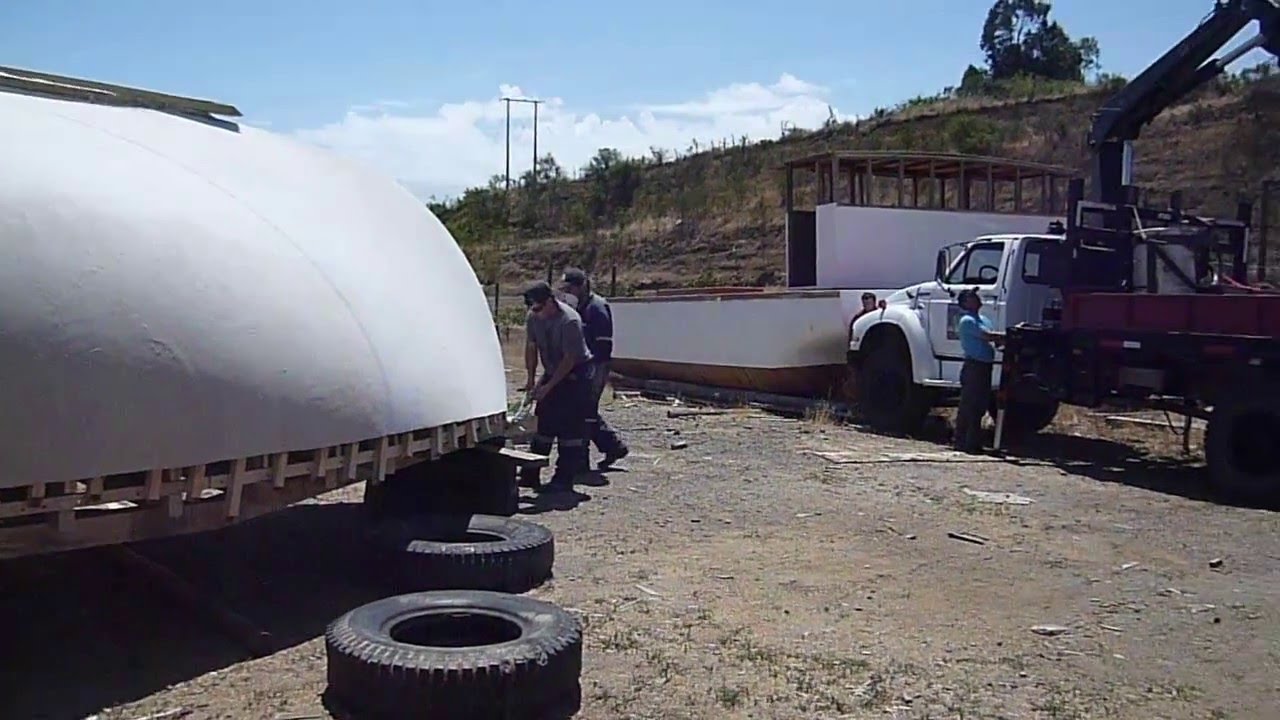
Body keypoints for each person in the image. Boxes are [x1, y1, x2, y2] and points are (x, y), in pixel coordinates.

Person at [521, 280, 594, 491]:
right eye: (532, 309)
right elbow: (531, 347)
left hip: (575, 375)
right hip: (552, 371)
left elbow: (570, 359)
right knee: (543, 423)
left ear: (550, 301)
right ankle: (530, 473)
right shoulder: (533, 318)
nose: (536, 313)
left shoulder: (569, 321)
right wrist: (531, 381)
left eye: (539, 308)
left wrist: (548, 387)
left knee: (569, 428)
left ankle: (563, 479)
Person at [561, 267, 629, 469]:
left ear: (581, 286)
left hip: (596, 365)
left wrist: (592, 369)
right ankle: (613, 446)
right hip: (582, 365)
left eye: (570, 287)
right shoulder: (577, 307)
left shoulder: (596, 307)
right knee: (583, 409)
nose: (567, 292)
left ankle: (582, 460)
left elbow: (603, 344)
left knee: (585, 411)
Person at [954, 288, 1004, 453]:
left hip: (984, 366)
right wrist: (1004, 336)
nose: (976, 298)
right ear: (964, 303)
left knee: (980, 405)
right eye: (971, 297)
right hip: (973, 366)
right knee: (969, 404)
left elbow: (992, 339)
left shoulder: (984, 319)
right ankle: (962, 441)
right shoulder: (967, 320)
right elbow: (987, 336)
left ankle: (973, 442)